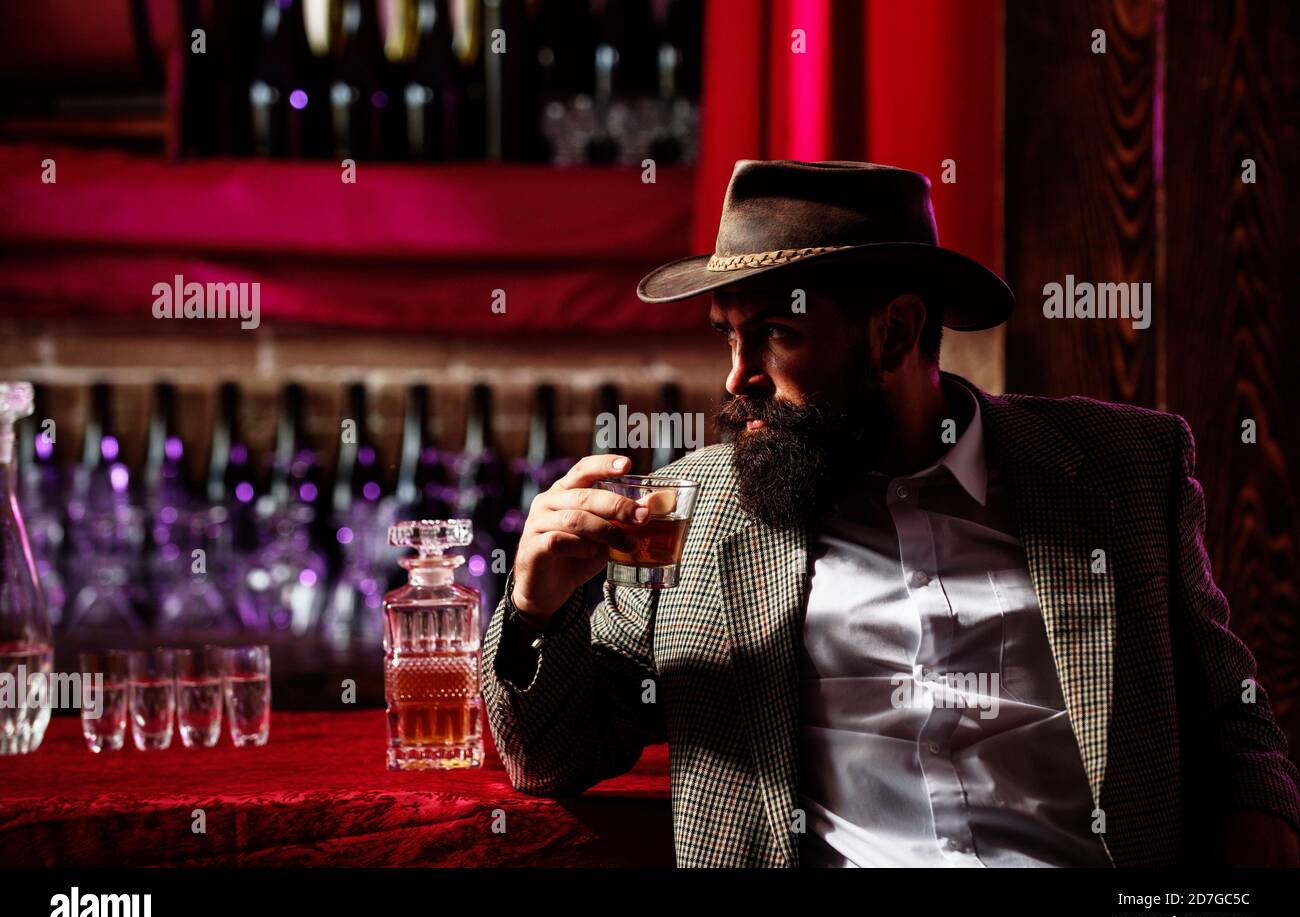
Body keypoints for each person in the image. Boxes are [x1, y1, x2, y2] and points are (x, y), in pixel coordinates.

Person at [484, 159, 1300, 867]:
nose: (737, 379)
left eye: (772, 335)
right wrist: (532, 603)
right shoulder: (694, 517)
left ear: (895, 331)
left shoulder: (1123, 473)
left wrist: (1250, 847)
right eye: (729, 338)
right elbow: (549, 756)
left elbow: (1235, 721)